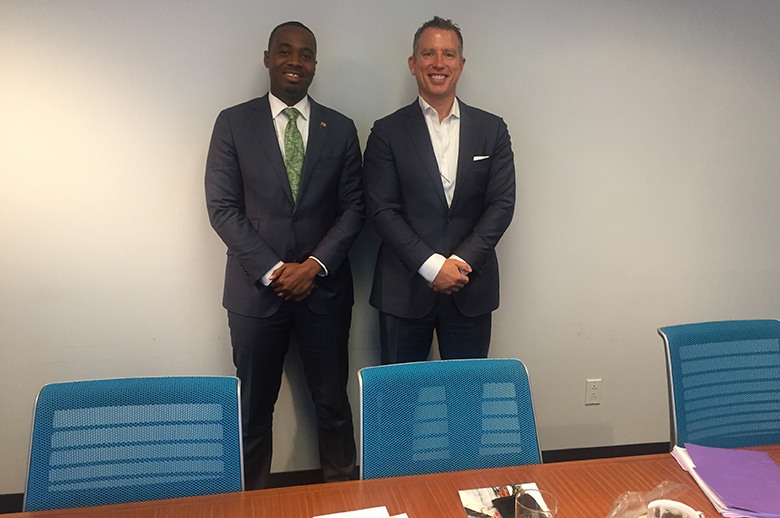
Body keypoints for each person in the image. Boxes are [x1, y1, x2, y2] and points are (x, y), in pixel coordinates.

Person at [205, 21, 363, 490]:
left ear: (316, 64)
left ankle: (345, 499)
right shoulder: (233, 122)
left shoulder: (341, 128)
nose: (296, 61)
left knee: (333, 406)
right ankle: (251, 501)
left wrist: (313, 266)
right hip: (256, 295)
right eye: (286, 51)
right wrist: (276, 270)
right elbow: (222, 208)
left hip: (325, 291)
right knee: (253, 411)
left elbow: (355, 208)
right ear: (268, 57)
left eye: (306, 54)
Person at [363, 16, 516, 364]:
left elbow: (501, 205)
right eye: (428, 53)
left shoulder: (492, 130)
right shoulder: (386, 132)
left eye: (448, 54)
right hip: (403, 292)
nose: (438, 63)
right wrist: (432, 266)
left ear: (461, 65)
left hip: (470, 288)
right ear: (413, 63)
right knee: (398, 408)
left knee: (466, 405)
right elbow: (382, 210)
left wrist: (458, 264)